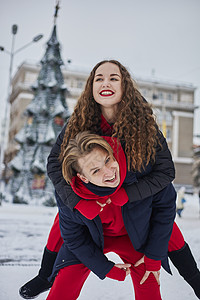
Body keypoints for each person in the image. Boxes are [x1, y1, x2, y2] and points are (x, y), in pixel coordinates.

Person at [19, 60, 200, 299]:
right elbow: (55, 163)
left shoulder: (144, 126)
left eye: (114, 78)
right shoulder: (79, 123)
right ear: (91, 88)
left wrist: (127, 194)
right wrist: (77, 201)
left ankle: (195, 279)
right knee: (65, 216)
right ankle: (45, 276)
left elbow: (166, 172)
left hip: (136, 202)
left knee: (165, 223)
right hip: (94, 208)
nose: (106, 82)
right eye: (99, 78)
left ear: (125, 86)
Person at [46, 131, 176, 300]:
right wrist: (105, 268)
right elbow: (74, 237)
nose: (109, 172)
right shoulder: (70, 195)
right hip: (90, 239)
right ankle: (44, 278)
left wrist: (153, 256)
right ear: (83, 177)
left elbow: (164, 212)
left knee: (149, 281)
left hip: (133, 238)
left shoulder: (140, 172)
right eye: (96, 170)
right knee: (62, 288)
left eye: (107, 160)